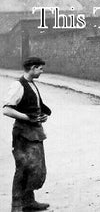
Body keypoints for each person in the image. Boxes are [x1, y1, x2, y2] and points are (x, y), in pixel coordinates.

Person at [3, 57, 51, 212]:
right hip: (23, 135)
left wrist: (42, 115)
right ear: (33, 68)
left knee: (34, 168)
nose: (42, 71)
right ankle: (16, 207)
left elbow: (34, 107)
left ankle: (29, 202)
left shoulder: (31, 84)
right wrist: (27, 118)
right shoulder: (18, 85)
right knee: (23, 169)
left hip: (35, 132)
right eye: (40, 69)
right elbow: (6, 109)